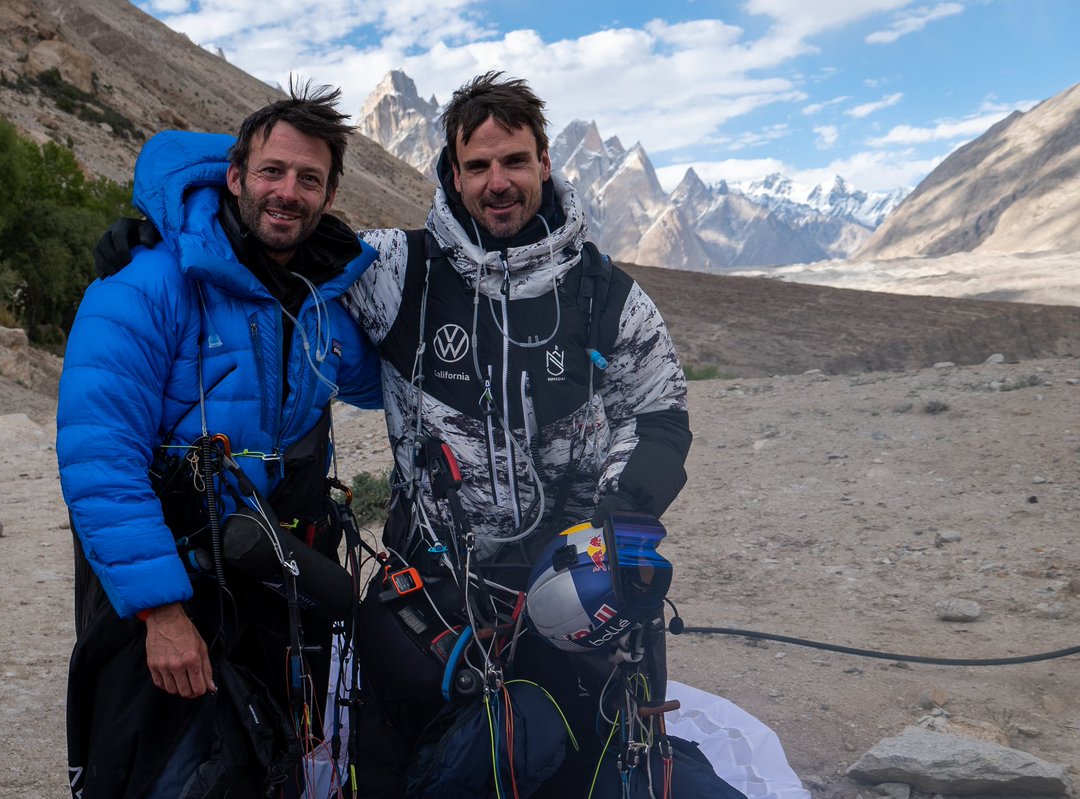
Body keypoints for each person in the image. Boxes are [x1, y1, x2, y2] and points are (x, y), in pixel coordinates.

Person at [95, 72, 699, 798]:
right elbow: (278, 239)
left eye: (514, 161)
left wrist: (617, 519)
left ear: (545, 162)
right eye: (477, 165)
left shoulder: (609, 294)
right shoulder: (391, 270)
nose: (496, 182)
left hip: (575, 578)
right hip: (432, 584)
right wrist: (168, 236)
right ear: (452, 172)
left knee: (591, 759)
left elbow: (661, 412)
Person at [57, 84, 382, 799]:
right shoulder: (145, 283)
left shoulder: (321, 294)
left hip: (273, 575)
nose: (287, 192)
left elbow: (385, 380)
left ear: (327, 197)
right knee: (164, 774)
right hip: (172, 583)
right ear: (234, 175)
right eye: (271, 171)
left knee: (274, 765)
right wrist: (161, 613)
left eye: (309, 180)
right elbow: (98, 453)